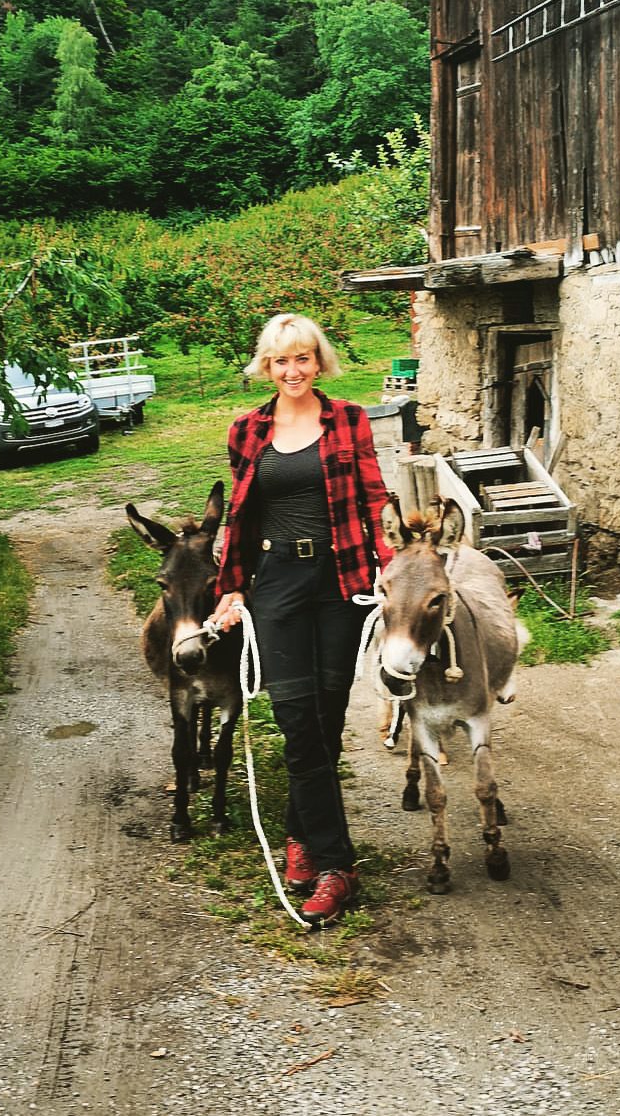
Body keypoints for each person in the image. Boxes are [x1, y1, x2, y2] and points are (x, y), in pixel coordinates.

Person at [211, 311, 394, 928]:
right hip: (279, 587)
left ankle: (301, 835)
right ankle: (337, 866)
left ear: (319, 362)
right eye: (281, 360)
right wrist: (230, 589)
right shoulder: (247, 430)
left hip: (341, 582)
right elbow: (240, 516)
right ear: (267, 366)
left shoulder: (348, 419)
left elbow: (373, 499)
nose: (293, 370)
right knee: (296, 718)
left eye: (303, 358)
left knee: (326, 720)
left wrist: (389, 569)